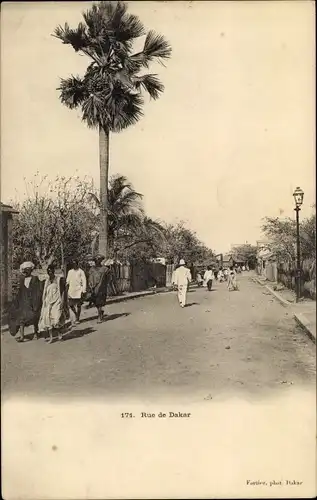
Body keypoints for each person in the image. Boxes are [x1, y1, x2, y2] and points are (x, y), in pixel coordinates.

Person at [8, 261, 43, 342]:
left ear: (31, 270)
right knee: (21, 318)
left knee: (34, 318)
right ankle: (22, 336)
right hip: (24, 302)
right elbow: (20, 291)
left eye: (28, 269)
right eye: (25, 269)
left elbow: (38, 291)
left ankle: (36, 333)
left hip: (33, 302)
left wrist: (37, 302)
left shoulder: (35, 279)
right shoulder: (22, 279)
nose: (26, 271)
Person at [39, 264, 69, 343]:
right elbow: (45, 293)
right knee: (48, 319)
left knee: (57, 319)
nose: (50, 273)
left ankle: (60, 334)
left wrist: (62, 302)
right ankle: (51, 337)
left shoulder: (59, 280)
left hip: (57, 301)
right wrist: (44, 303)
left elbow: (63, 292)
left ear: (54, 271)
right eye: (48, 272)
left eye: (51, 271)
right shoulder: (46, 281)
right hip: (48, 302)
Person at [88, 255, 111, 323]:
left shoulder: (105, 269)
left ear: (101, 261)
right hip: (93, 288)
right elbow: (89, 278)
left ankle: (99, 317)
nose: (97, 261)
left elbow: (108, 278)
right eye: (96, 260)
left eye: (98, 260)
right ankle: (100, 312)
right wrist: (90, 285)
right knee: (96, 303)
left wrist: (105, 285)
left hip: (102, 288)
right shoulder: (91, 269)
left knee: (99, 302)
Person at [66, 259, 87, 324]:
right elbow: (67, 281)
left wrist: (83, 290)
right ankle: (75, 314)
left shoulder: (81, 271)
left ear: (77, 264)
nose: (74, 265)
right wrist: (66, 289)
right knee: (71, 305)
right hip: (71, 290)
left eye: (75, 263)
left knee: (78, 305)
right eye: (73, 264)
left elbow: (84, 281)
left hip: (78, 290)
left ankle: (77, 318)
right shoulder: (70, 272)